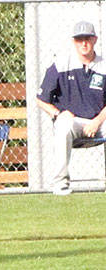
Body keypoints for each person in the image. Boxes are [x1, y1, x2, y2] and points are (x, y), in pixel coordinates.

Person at [36, 19, 106, 196]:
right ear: (73, 41)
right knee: (62, 125)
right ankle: (61, 184)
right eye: (79, 39)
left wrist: (97, 122)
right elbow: (41, 99)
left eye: (88, 39)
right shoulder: (60, 64)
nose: (84, 43)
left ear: (95, 40)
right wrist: (59, 114)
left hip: (99, 121)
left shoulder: (104, 65)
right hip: (73, 122)